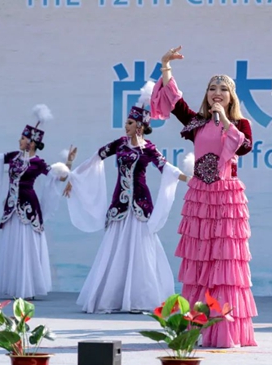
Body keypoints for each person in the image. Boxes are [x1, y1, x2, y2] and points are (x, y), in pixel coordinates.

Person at [149, 46, 257, 348]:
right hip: (200, 197)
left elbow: (244, 146)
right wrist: (165, 66)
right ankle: (196, 325)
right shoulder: (196, 121)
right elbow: (174, 102)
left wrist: (224, 120)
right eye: (212, 88)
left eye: (223, 89)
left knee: (224, 261)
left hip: (226, 197)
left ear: (231, 96)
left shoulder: (241, 124)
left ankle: (223, 330)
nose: (217, 93)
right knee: (200, 259)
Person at [63, 85, 189, 314]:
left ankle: (140, 298)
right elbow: (96, 158)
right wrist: (74, 177)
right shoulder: (119, 144)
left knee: (141, 250)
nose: (126, 126)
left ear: (140, 125)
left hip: (140, 203)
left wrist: (187, 177)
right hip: (120, 203)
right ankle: (113, 297)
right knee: (115, 249)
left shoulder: (149, 149)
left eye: (130, 123)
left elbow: (166, 167)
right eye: (126, 122)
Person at [0, 105, 72, 300]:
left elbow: (58, 177)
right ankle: (16, 286)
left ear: (32, 143)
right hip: (11, 206)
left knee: (27, 245)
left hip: (28, 207)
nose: (19, 140)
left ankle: (29, 287)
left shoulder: (38, 163)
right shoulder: (14, 156)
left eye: (23, 138)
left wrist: (68, 163)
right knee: (13, 245)